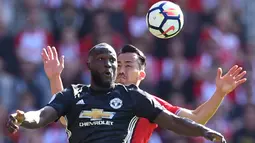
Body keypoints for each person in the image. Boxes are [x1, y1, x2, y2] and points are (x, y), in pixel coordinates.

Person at [7, 43, 226, 143]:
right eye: (117, 63)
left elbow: (191, 119)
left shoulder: (143, 101)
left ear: (142, 75)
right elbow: (61, 115)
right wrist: (55, 79)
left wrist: (219, 94)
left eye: (126, 65)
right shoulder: (77, 95)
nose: (119, 69)